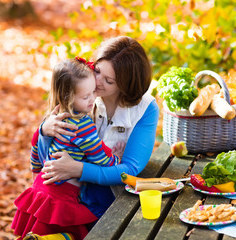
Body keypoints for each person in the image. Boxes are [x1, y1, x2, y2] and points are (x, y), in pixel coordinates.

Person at [33, 36, 159, 219]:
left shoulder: (145, 109)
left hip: (114, 199)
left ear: (126, 85)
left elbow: (130, 169)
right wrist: (44, 131)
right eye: (97, 71)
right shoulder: (80, 93)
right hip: (67, 194)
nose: (97, 82)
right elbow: (48, 157)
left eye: (109, 81)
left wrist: (78, 169)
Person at [12, 58, 121, 240]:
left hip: (41, 186)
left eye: (93, 92)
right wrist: (117, 161)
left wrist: (36, 172)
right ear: (67, 97)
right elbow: (100, 159)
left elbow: (35, 145)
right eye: (86, 97)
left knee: (39, 231)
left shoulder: (53, 117)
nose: (93, 99)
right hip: (61, 196)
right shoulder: (83, 126)